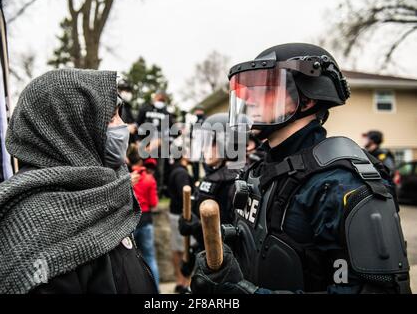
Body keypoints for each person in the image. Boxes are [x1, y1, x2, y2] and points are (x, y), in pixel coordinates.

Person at [191, 43, 411, 294]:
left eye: (265, 88)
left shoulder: (342, 183)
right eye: (248, 91)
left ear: (306, 100)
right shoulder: (258, 171)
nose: (248, 99)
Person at [0, 69, 157, 294]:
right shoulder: (32, 229)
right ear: (71, 128)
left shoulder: (105, 192)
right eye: (111, 116)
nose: (123, 125)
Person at [178, 113, 243, 277]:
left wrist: (198, 229)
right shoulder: (212, 175)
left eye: (210, 142)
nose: (204, 148)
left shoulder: (235, 183)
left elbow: (235, 238)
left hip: (225, 272)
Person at [128, 148, 160, 291]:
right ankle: (156, 290)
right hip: (146, 221)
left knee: (131, 261)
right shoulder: (149, 178)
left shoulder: (126, 178)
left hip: (131, 223)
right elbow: (154, 204)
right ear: (142, 160)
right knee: (150, 258)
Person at [167, 155, 193, 293]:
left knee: (177, 249)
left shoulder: (176, 170)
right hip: (181, 215)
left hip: (175, 213)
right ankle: (185, 283)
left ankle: (180, 281)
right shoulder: (181, 173)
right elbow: (186, 196)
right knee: (184, 250)